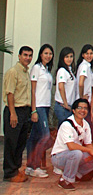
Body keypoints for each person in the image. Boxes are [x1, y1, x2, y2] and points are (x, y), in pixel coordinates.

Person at [51, 99, 93, 190]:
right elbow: (71, 146)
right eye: (79, 108)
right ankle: (65, 180)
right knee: (77, 153)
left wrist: (92, 152)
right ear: (73, 110)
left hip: (75, 155)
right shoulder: (67, 124)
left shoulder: (86, 125)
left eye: (85, 108)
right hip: (59, 157)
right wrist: (88, 150)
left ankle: (76, 175)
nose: (83, 110)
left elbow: (88, 143)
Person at [3, 46, 33, 182]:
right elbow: (10, 93)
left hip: (24, 111)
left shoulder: (26, 72)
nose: (27, 58)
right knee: (11, 142)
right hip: (14, 110)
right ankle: (9, 173)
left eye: (30, 55)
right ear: (19, 56)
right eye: (25, 55)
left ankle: (16, 169)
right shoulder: (13, 72)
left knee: (21, 142)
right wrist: (12, 113)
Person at [26, 44, 54, 179]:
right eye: (46, 53)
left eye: (50, 53)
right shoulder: (36, 68)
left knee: (34, 137)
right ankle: (36, 166)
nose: (48, 56)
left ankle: (30, 166)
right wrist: (33, 110)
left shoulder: (47, 70)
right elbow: (32, 90)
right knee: (45, 136)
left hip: (46, 106)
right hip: (39, 106)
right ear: (41, 54)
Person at [54, 47, 77, 127]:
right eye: (67, 57)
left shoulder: (70, 70)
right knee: (64, 130)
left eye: (71, 56)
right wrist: (65, 103)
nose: (69, 59)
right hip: (62, 106)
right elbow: (61, 87)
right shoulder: (62, 71)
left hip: (69, 106)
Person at [76, 44, 93, 129]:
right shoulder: (84, 66)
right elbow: (81, 83)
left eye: (91, 53)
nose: (89, 56)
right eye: (87, 53)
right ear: (83, 55)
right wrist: (82, 97)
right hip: (83, 103)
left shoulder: (87, 66)